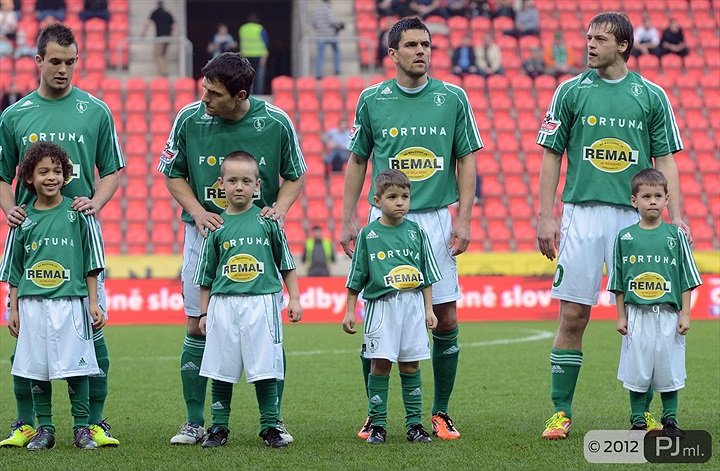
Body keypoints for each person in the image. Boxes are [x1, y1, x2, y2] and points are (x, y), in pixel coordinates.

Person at [536, 12, 691, 440]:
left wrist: (675, 216)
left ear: (622, 45)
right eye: (588, 37)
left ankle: (651, 416)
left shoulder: (651, 95)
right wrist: (547, 214)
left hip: (634, 217)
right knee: (573, 315)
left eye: (599, 39)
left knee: (649, 314)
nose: (589, 44)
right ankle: (560, 413)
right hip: (582, 213)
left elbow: (666, 160)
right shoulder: (569, 91)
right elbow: (551, 153)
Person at [341, 17, 482, 441]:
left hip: (435, 218)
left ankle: (439, 412)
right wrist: (348, 218)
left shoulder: (453, 98)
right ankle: (375, 413)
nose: (421, 51)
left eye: (426, 44)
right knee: (377, 319)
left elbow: (467, 159)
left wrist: (464, 217)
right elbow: (358, 160)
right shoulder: (372, 99)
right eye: (412, 45)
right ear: (393, 53)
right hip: (382, 222)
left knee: (445, 314)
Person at [158, 52, 306, 446]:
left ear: (240, 95)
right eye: (204, 89)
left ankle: (273, 420)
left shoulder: (275, 121)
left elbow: (295, 176)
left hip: (257, 239)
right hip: (205, 236)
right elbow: (171, 175)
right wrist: (198, 212)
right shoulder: (189, 118)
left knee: (267, 335)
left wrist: (279, 210)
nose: (204, 99)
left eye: (213, 94)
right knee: (197, 325)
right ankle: (194, 421)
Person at [0, 22, 124, 448]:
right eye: (55, 61)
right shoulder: (14, 115)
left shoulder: (97, 111)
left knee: (93, 334)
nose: (64, 70)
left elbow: (112, 171)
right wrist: (10, 210)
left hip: (79, 239)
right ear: (38, 60)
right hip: (32, 240)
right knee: (28, 336)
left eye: (71, 62)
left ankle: (95, 421)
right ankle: (28, 423)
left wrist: (96, 204)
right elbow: (2, 176)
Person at [0, 141, 106, 450]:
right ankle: (44, 429)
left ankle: (82, 428)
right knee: (37, 369)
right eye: (43, 171)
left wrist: (94, 302)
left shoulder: (77, 214)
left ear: (66, 175)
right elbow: (15, 269)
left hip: (71, 304)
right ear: (29, 178)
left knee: (78, 366)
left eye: (57, 171)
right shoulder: (22, 219)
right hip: (33, 305)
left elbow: (91, 262)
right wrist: (14, 308)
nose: (51, 177)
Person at [193, 151, 303, 449]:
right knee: (220, 368)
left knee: (265, 367)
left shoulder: (269, 221)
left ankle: (270, 426)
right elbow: (206, 276)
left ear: (258, 185)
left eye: (245, 181)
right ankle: (218, 427)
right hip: (224, 304)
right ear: (221, 184)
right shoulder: (216, 226)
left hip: (262, 302)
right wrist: (204, 314)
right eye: (232, 180)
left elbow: (287, 265)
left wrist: (294, 298)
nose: (239, 186)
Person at [343, 169, 440, 445]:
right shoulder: (368, 234)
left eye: (405, 196)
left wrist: (429, 309)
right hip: (381, 307)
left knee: (411, 366)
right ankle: (378, 425)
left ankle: (414, 426)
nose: (400, 202)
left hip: (411, 306)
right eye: (393, 197)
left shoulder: (417, 232)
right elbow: (356, 276)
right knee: (380, 365)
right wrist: (350, 310)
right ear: (377, 200)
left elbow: (427, 275)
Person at [607, 168, 701, 435]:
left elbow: (686, 278)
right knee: (637, 370)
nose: (652, 201)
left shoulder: (676, 237)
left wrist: (685, 314)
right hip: (637, 314)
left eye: (658, 196)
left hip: (669, 314)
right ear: (634, 200)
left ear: (667, 199)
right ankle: (637, 421)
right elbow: (618, 282)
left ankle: (670, 420)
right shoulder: (625, 238)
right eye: (646, 196)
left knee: (669, 369)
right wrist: (621, 316)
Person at [140, 1, 175, 76]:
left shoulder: (155, 12)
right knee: (163, 54)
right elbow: (173, 26)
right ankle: (163, 71)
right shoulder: (168, 13)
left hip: (160, 37)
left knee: (157, 55)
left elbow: (148, 23)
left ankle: (163, 71)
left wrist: (143, 33)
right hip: (168, 37)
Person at [238, 14, 269, 94]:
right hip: (259, 55)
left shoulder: (242, 29)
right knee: (258, 75)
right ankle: (258, 93)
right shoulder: (260, 28)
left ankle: (247, 92)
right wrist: (265, 54)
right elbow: (266, 42)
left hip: (245, 55)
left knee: (246, 75)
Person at [312, 0, 342, 80]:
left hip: (320, 36)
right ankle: (336, 69)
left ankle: (318, 74)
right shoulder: (328, 9)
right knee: (336, 51)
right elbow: (332, 21)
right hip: (330, 35)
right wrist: (339, 25)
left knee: (320, 55)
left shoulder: (317, 10)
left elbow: (314, 23)